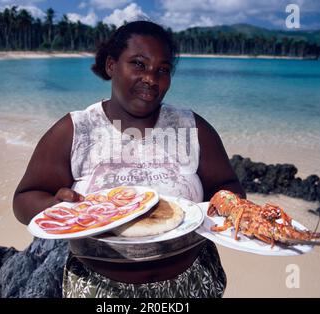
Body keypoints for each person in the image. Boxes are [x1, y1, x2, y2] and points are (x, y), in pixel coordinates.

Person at [13, 20, 246, 298]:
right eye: (138, 64)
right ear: (112, 65)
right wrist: (56, 205)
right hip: (99, 289)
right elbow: (24, 198)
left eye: (163, 69)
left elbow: (229, 187)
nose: (151, 78)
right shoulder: (76, 130)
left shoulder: (193, 129)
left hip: (192, 282)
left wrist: (226, 208)